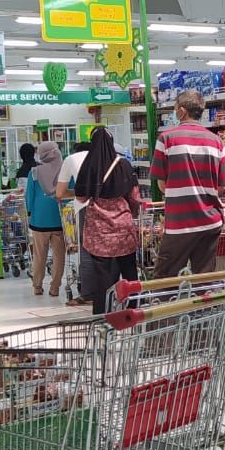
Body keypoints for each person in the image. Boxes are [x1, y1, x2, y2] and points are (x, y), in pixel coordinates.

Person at [149, 90, 225, 277]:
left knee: (164, 279)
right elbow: (222, 186)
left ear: (182, 111)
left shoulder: (167, 139)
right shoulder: (216, 142)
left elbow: (162, 186)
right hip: (210, 222)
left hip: (180, 222)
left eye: (175, 108)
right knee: (204, 277)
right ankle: (202, 306)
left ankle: (166, 306)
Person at [74, 127, 141, 315]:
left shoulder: (89, 165)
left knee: (101, 274)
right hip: (123, 226)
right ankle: (134, 306)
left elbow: (81, 197)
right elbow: (135, 197)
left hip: (99, 229)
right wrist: (131, 213)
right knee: (128, 268)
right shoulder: (124, 165)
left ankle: (101, 311)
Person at [25, 141, 65, 297]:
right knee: (59, 256)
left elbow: (30, 196)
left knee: (39, 255)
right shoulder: (65, 171)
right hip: (59, 220)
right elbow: (71, 192)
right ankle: (55, 288)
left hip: (39, 220)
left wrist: (29, 212)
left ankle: (37, 286)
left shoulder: (34, 172)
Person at [57, 140, 93, 307]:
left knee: (86, 251)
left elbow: (60, 192)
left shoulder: (71, 159)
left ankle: (87, 294)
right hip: (112, 206)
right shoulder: (107, 157)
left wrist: (76, 192)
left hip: (86, 208)